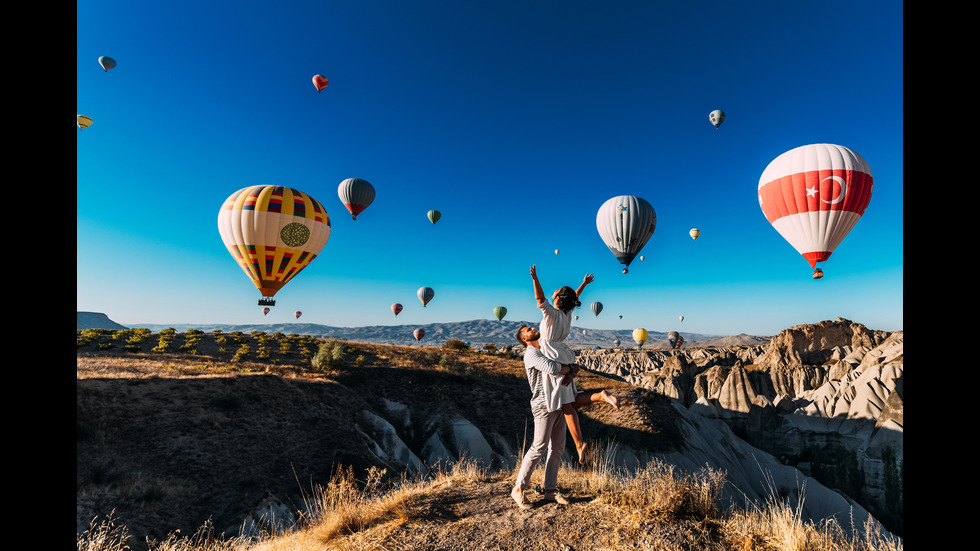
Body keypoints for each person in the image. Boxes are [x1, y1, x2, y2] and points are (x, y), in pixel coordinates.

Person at [530, 265, 620, 464]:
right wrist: (583, 285)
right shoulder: (567, 314)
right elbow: (574, 297)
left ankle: (579, 444)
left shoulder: (551, 314)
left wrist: (535, 278)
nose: (552, 292)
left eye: (555, 292)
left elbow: (539, 299)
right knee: (570, 400)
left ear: (557, 299)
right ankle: (600, 395)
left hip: (553, 357)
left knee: (566, 405)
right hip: (564, 355)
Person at [512, 324, 574, 509]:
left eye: (531, 327)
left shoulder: (546, 350)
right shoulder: (531, 353)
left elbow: (563, 363)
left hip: (558, 402)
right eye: (527, 329)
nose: (532, 328)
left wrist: (570, 368)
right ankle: (518, 489)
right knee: (538, 447)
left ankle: (550, 491)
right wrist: (570, 368)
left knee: (557, 448)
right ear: (524, 338)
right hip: (542, 405)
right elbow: (552, 368)